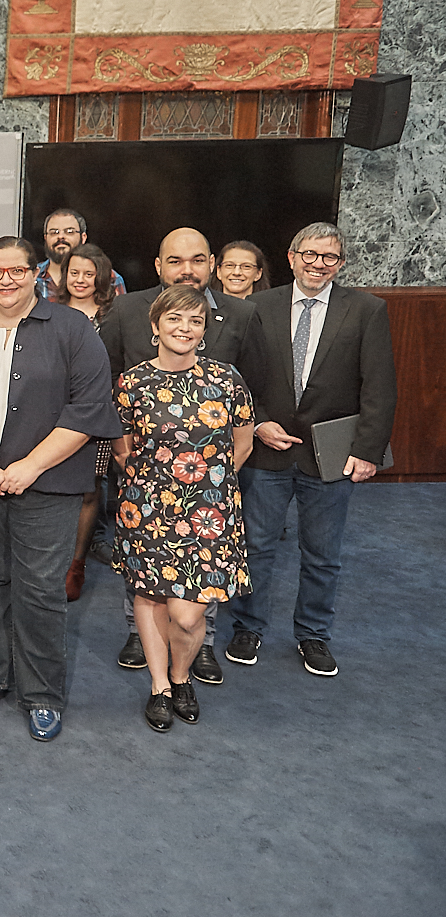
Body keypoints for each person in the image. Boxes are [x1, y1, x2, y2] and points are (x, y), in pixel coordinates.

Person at [0, 237, 120, 742]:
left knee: (38, 590)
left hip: (47, 484)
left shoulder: (71, 329)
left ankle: (42, 694)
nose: (5, 280)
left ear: (37, 273)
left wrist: (30, 466)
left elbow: (89, 407)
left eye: (17, 270)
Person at [228, 222, 396, 678]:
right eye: (310, 254)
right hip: (268, 449)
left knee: (322, 552)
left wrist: (368, 450)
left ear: (340, 264)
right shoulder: (258, 307)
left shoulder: (366, 309)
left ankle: (313, 635)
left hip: (333, 455)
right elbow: (239, 379)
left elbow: (379, 387)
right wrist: (258, 423)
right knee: (256, 546)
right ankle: (247, 627)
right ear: (291, 255)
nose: (318, 264)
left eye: (330, 258)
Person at [100, 228, 266, 681]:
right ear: (159, 265)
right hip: (149, 498)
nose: (186, 269)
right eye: (176, 260)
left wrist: (212, 480)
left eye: (197, 260)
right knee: (150, 593)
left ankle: (196, 652)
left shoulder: (242, 317)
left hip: (209, 501)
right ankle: (155, 667)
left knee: (191, 611)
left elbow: (245, 426)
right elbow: (111, 401)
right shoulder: (128, 311)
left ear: (211, 264)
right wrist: (138, 471)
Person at [112, 285, 255, 732]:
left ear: (204, 330)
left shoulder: (227, 379)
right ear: (155, 326)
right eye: (175, 319)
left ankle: (181, 675)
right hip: (149, 508)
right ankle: (160, 686)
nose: (185, 328)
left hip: (210, 510)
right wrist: (158, 486)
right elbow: (122, 450)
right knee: (152, 595)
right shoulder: (132, 383)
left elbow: (243, 442)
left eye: (195, 321)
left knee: (189, 613)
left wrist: (203, 483)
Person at [54, 242, 117, 602]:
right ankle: (52, 560)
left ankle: (75, 564)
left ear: (101, 278)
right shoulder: (49, 311)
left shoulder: (114, 315)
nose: (80, 280)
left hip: (98, 415)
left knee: (90, 489)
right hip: (55, 415)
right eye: (73, 272)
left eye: (88, 274)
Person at [36, 208, 126, 300]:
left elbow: (121, 313)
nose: (60, 237)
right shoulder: (32, 276)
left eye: (69, 232)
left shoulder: (109, 278)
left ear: (83, 238)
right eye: (54, 232)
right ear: (46, 238)